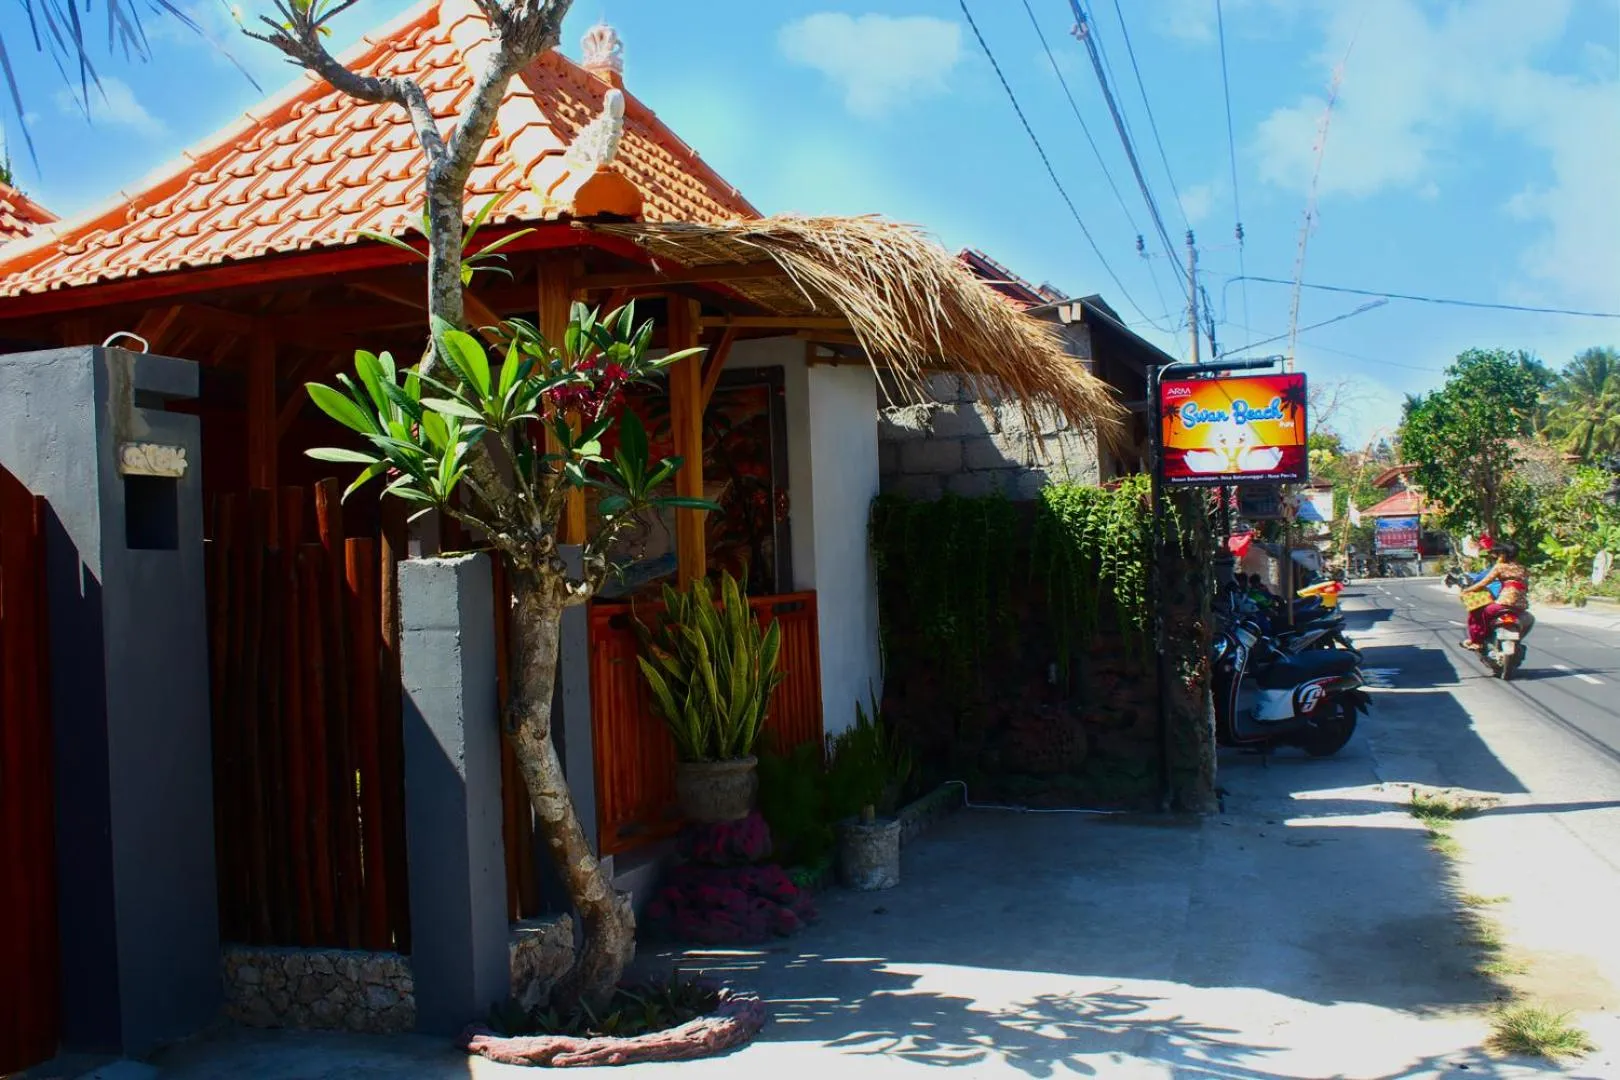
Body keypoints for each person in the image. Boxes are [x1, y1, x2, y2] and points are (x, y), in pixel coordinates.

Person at [1462, 540, 1529, 649]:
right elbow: (1526, 586)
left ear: (1502, 555)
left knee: (1479, 613)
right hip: (1521, 606)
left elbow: (1483, 583)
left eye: (1498, 554)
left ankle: (1477, 641)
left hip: (1502, 604)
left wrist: (1467, 590)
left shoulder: (1500, 567)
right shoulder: (1522, 568)